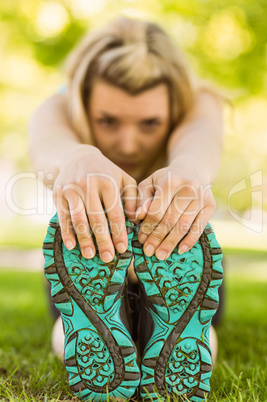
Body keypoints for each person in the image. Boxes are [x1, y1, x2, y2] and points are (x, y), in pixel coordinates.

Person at [29, 16, 224, 402]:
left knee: (81, 317)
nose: (130, 144)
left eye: (150, 123)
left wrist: (188, 173)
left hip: (178, 247)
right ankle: (159, 350)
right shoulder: (59, 104)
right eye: (108, 121)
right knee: (89, 289)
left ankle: (113, 347)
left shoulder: (199, 101)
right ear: (83, 104)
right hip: (88, 249)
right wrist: (77, 158)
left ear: (173, 107)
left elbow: (202, 142)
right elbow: (46, 143)